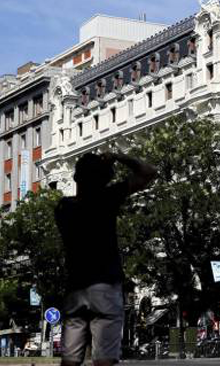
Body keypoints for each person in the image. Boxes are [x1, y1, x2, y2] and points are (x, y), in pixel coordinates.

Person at [55, 152, 156, 366]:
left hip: (75, 288)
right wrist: (119, 157)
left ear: (75, 179)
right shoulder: (107, 199)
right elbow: (148, 172)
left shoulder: (64, 208)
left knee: (70, 359)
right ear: (104, 178)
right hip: (105, 284)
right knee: (104, 358)